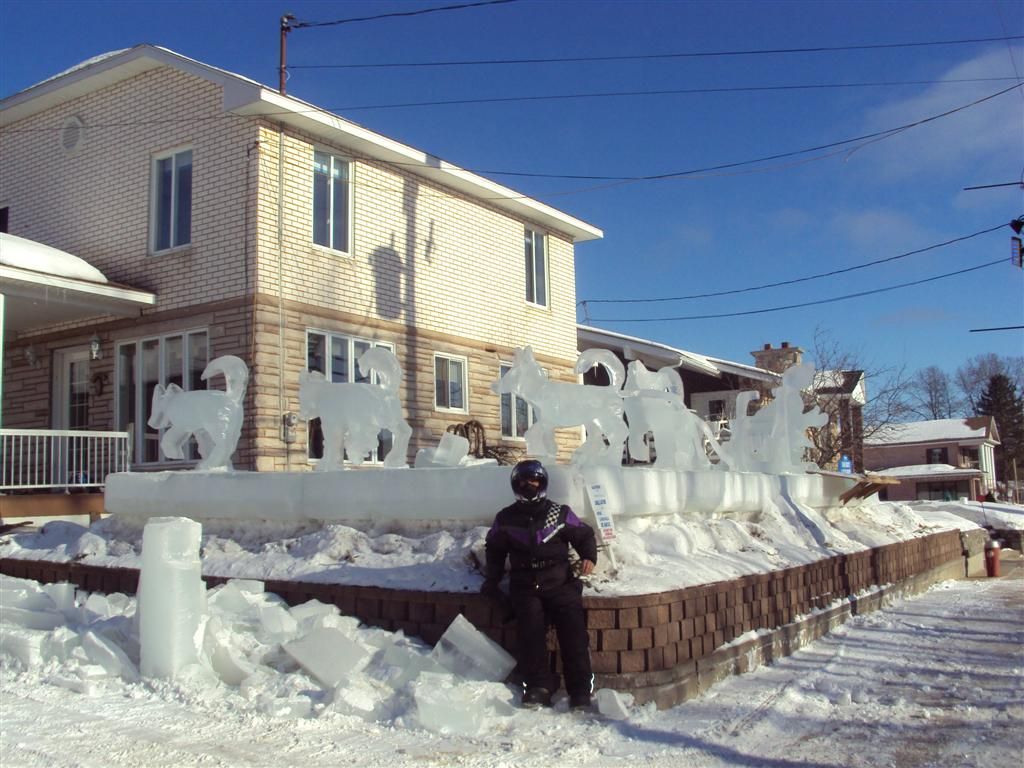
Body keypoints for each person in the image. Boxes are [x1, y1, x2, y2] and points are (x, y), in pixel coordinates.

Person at [481, 459, 598, 710]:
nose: (529, 485)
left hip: (561, 583)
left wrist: (589, 556)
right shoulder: (505, 518)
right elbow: (494, 549)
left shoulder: (560, 513)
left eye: (533, 481)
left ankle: (580, 691)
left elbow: (585, 534)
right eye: (523, 482)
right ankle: (537, 687)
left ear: (542, 483)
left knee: (575, 636)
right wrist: (492, 579)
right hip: (525, 586)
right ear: (515, 486)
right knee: (530, 637)